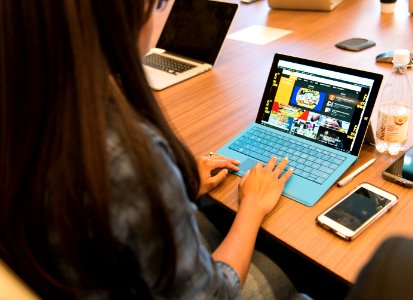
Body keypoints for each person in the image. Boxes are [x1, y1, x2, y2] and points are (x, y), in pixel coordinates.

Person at [0, 1, 305, 299]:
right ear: (116, 21)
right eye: (154, 5)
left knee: (213, 217)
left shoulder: (26, 112)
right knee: (285, 268)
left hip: (71, 270)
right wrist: (252, 207)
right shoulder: (127, 157)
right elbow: (214, 293)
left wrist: (175, 189)